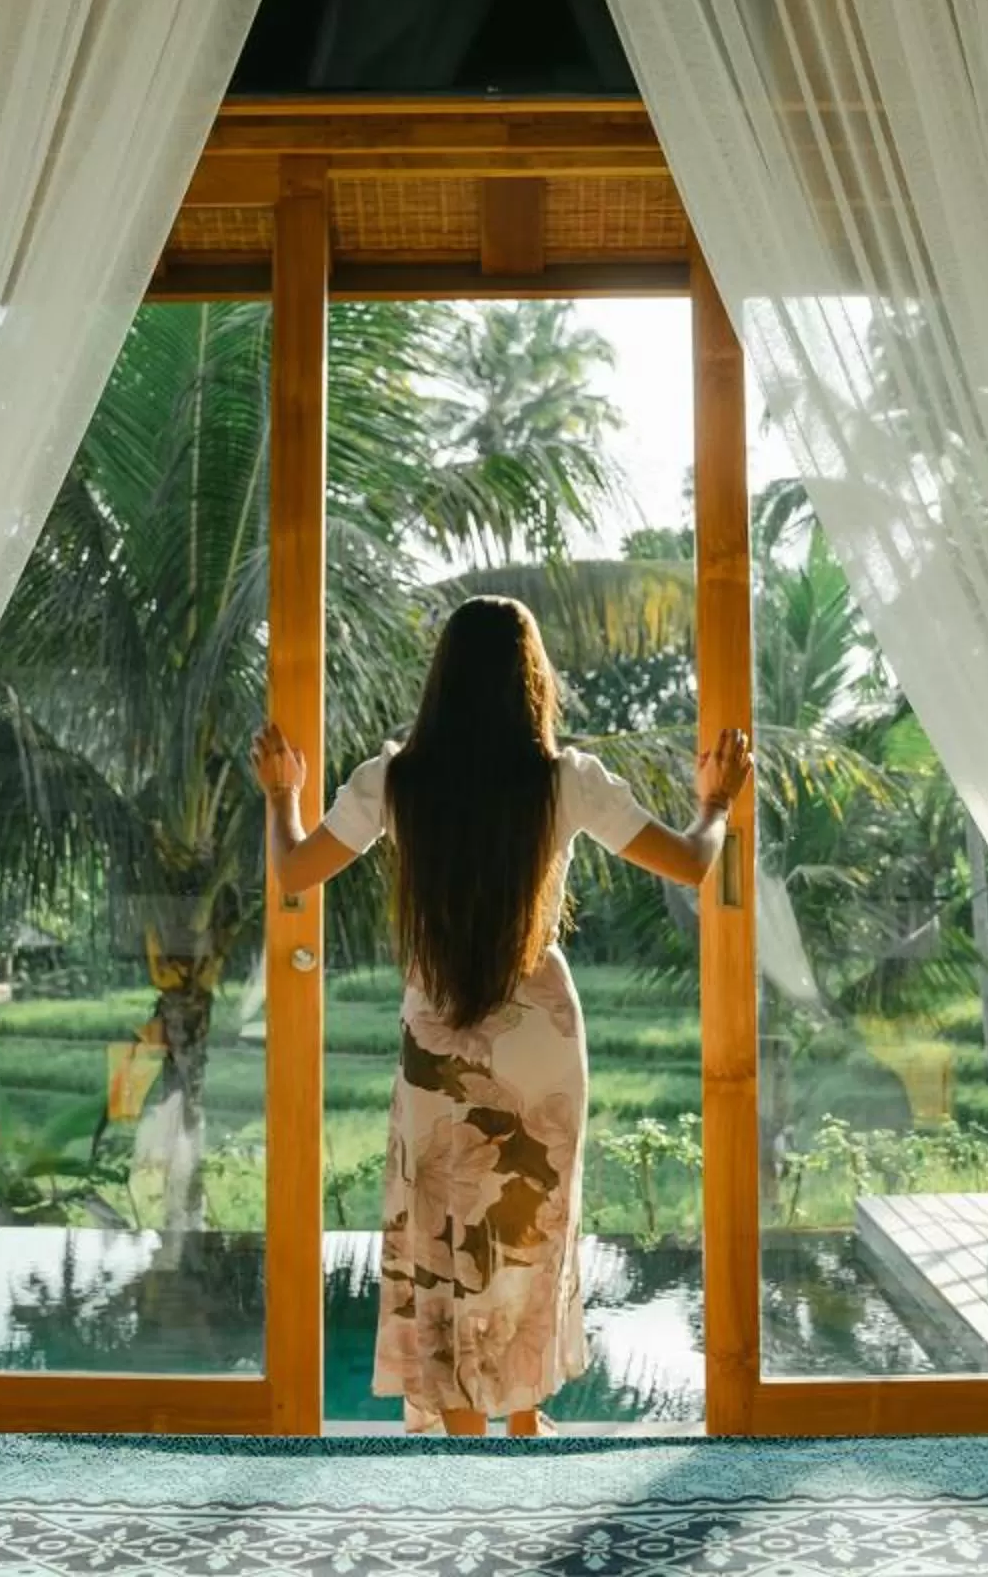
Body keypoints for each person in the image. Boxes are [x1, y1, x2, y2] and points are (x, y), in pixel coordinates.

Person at [252, 594, 752, 1438]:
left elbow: (296, 871)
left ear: (442, 680)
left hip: (437, 1033)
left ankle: (463, 1428)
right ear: (533, 680)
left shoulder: (395, 781)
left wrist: (281, 795)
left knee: (442, 1227)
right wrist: (715, 804)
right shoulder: (566, 782)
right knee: (529, 1221)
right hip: (539, 1033)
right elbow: (692, 862)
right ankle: (522, 1416)